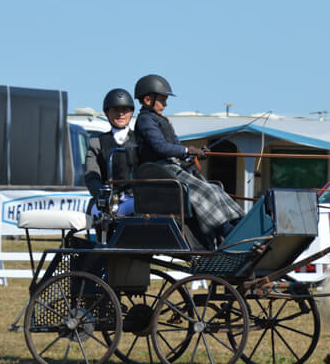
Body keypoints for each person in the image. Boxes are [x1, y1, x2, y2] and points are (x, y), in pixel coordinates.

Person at [133, 73, 244, 244]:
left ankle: (238, 223)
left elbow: (175, 145)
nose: (165, 104)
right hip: (160, 170)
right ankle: (226, 230)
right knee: (205, 191)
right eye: (162, 100)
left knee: (215, 188)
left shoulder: (161, 120)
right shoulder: (145, 120)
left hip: (172, 167)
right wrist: (187, 150)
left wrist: (195, 153)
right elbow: (160, 147)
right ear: (148, 100)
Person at [84, 88, 139, 216]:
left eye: (125, 110)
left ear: (131, 112)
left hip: (136, 198)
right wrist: (103, 194)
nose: (121, 114)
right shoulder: (96, 143)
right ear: (107, 113)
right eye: (115, 110)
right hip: (109, 200)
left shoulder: (141, 140)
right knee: (97, 213)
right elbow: (92, 176)